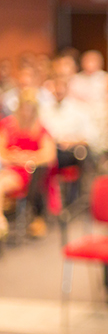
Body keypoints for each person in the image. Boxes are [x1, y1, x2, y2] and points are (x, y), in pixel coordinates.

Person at [0, 88, 57, 238]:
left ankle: (1, 222)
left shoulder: (40, 129)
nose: (26, 113)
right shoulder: (8, 126)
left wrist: (28, 157)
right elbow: (1, 150)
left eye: (29, 110)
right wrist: (15, 157)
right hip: (8, 168)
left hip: (27, 172)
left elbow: (49, 155)